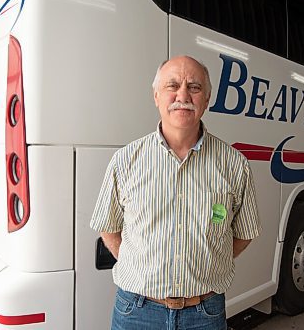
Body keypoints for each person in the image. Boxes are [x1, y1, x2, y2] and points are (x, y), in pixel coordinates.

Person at [90, 55, 261, 330]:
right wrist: (139, 266)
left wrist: (209, 260)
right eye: (172, 86)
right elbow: (108, 227)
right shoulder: (126, 160)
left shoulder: (234, 164)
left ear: (207, 99)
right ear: (156, 96)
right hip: (136, 311)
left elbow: (245, 232)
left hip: (204, 313)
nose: (183, 94)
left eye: (194, 87)